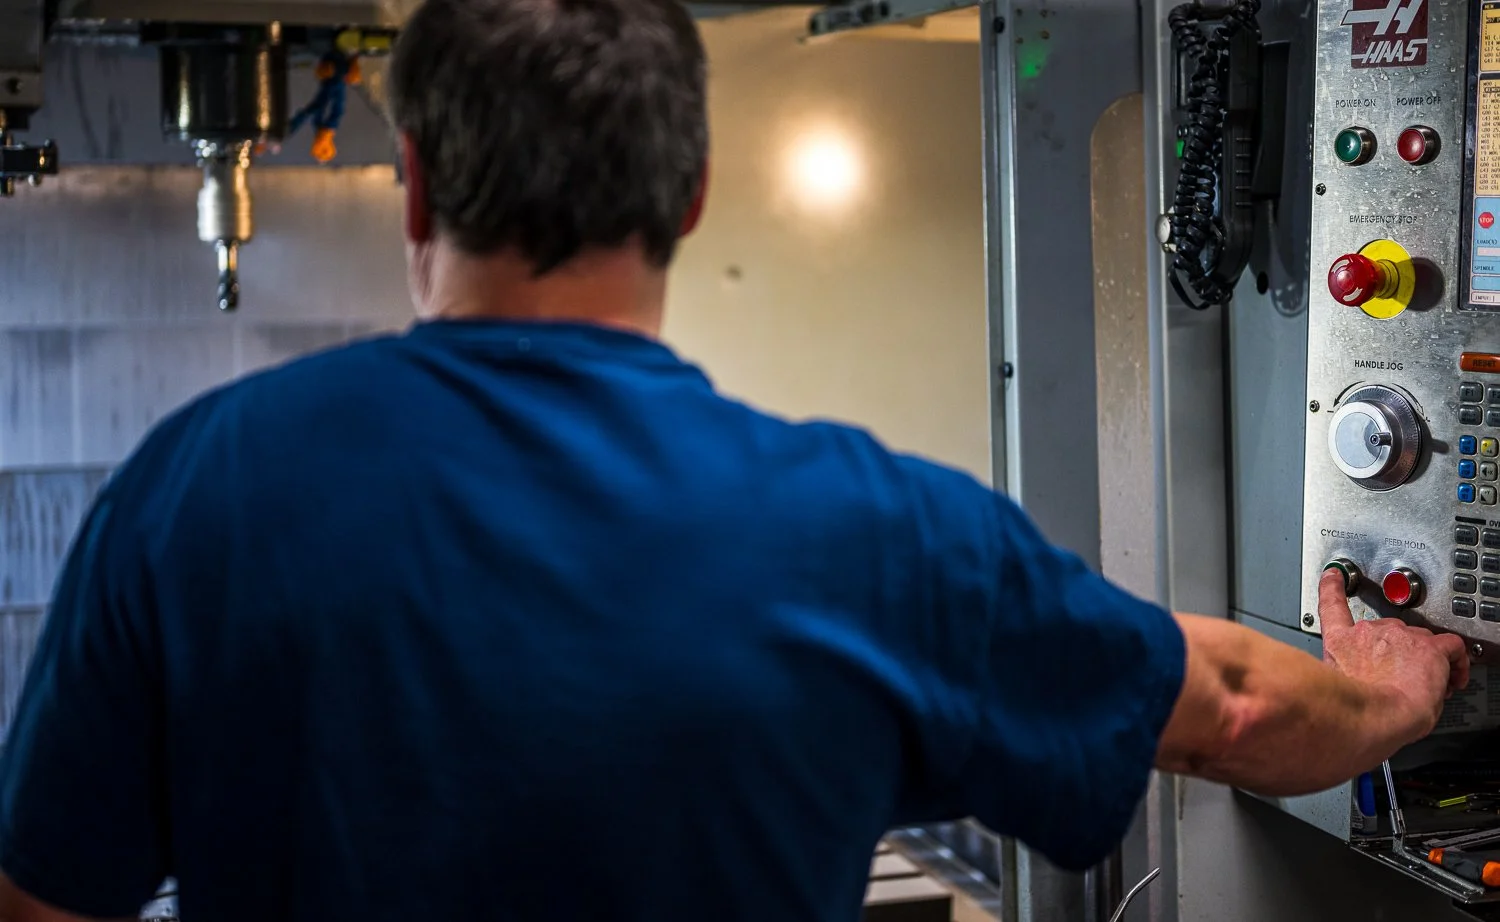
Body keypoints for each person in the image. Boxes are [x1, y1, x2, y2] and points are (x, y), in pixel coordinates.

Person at [0, 0, 1469, 920]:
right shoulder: (864, 525)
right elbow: (1225, 701)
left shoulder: (197, 486)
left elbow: (44, 895)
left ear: (423, 188)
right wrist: (1399, 694)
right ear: (691, 194)